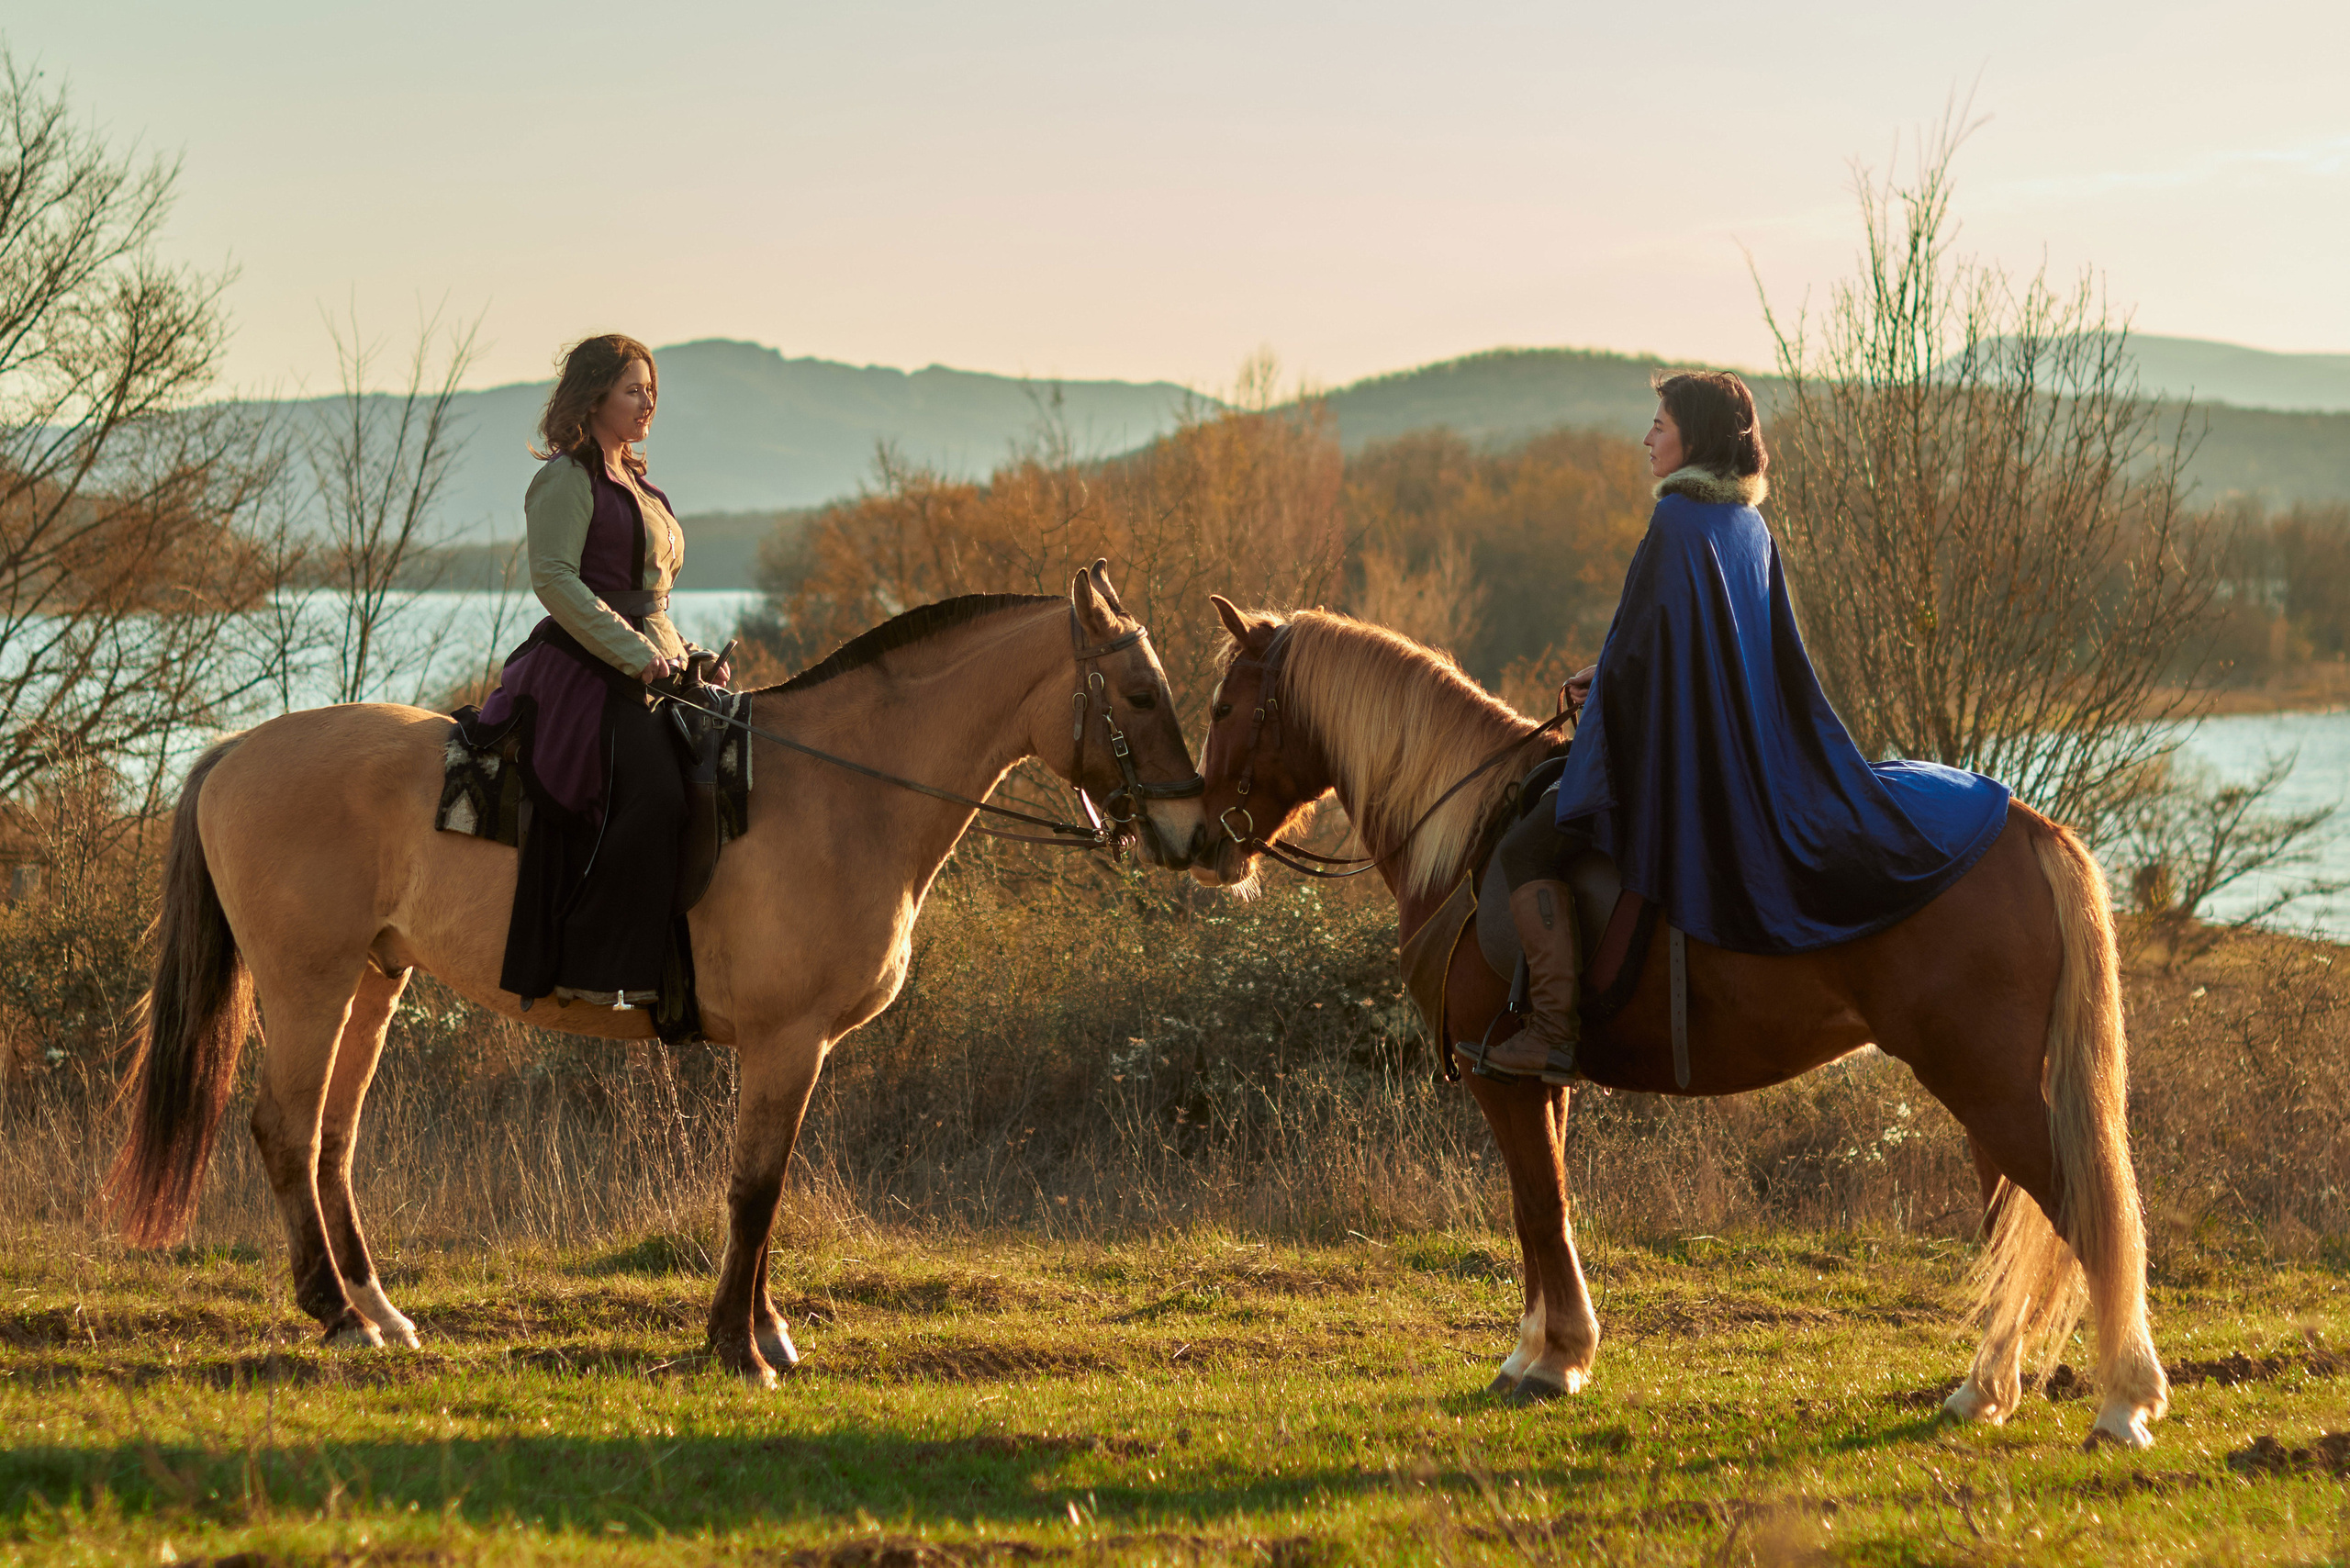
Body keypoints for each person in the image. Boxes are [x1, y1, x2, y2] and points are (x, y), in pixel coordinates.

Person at [1467, 370, 2010, 1082]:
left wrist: (1605, 701)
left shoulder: (1677, 520)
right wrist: (1605, 679)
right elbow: (1702, 650)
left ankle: (1550, 1030)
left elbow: (1648, 657)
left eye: (1660, 425)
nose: (1648, 438)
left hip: (1680, 761)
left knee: (1527, 849)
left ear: (1694, 434)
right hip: (1736, 747)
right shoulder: (1744, 523)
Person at [473, 334, 732, 1012]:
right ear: (593, 397)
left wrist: (690, 657)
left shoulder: (642, 486)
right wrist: (636, 654)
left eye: (651, 390)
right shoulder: (565, 479)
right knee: (657, 794)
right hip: (582, 673)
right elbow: (556, 580)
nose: (648, 402)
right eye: (632, 389)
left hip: (645, 665)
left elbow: (650, 600)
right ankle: (601, 967)